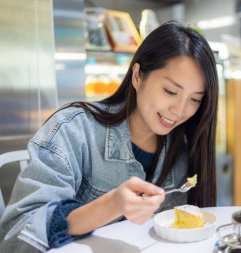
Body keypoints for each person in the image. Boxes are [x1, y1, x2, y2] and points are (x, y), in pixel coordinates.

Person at [0, 20, 218, 252]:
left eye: (195, 99)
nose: (180, 110)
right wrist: (112, 205)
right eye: (170, 91)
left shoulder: (183, 146)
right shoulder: (75, 130)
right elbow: (16, 238)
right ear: (137, 76)